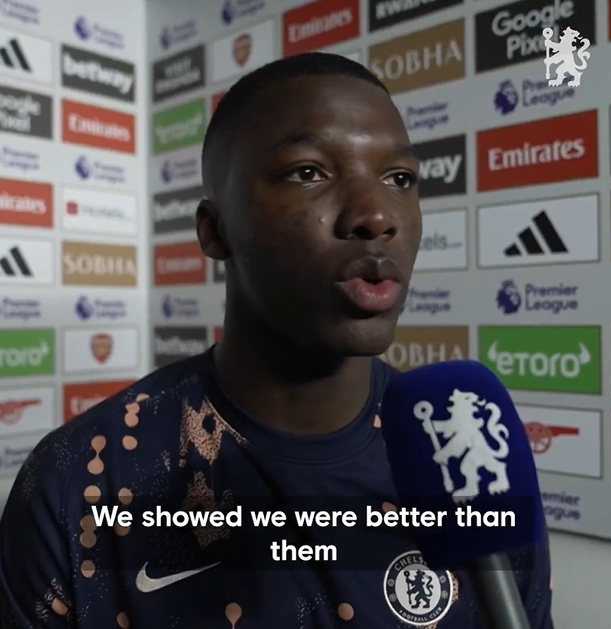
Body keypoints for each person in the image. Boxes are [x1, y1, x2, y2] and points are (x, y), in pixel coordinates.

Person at [0, 53, 553, 628]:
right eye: (308, 172)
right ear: (215, 230)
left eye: (399, 179)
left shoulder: (470, 458)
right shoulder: (80, 482)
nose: (375, 215)